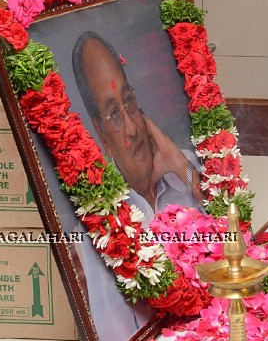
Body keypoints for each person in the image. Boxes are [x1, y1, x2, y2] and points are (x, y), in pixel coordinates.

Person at [71, 30, 203, 218]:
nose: (132, 129)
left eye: (128, 100)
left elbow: (235, 234)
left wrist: (186, 172)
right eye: (114, 113)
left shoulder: (188, 165)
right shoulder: (101, 216)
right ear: (102, 135)